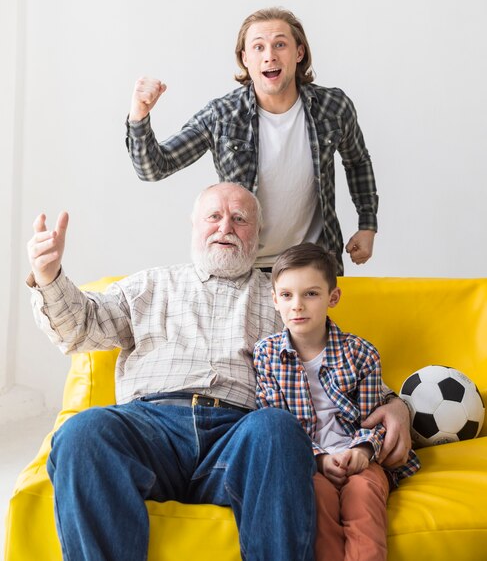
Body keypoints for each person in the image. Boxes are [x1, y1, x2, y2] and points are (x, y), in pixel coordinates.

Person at [27, 183, 409, 560]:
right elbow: (81, 326)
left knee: (277, 427)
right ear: (194, 225)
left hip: (239, 435)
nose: (226, 226)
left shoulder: (282, 297)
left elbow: (333, 364)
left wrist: (394, 403)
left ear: (257, 235)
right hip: (150, 428)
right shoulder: (150, 285)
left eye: (240, 219)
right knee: (80, 434)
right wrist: (49, 276)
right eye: (214, 216)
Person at [125, 7, 378, 275]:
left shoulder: (333, 107)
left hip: (311, 263)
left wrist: (367, 225)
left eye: (280, 44)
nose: (269, 56)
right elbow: (154, 168)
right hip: (241, 268)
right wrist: (139, 114)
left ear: (299, 53)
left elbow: (357, 162)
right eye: (258, 47)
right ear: (245, 58)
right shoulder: (222, 115)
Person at [253, 243, 420, 561]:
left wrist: (361, 451)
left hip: (362, 460)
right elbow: (275, 419)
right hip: (310, 463)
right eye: (287, 295)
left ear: (333, 298)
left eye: (311, 294)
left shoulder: (361, 353)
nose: (297, 306)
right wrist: (319, 459)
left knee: (363, 496)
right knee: (318, 501)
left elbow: (374, 417)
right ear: (274, 300)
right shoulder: (266, 354)